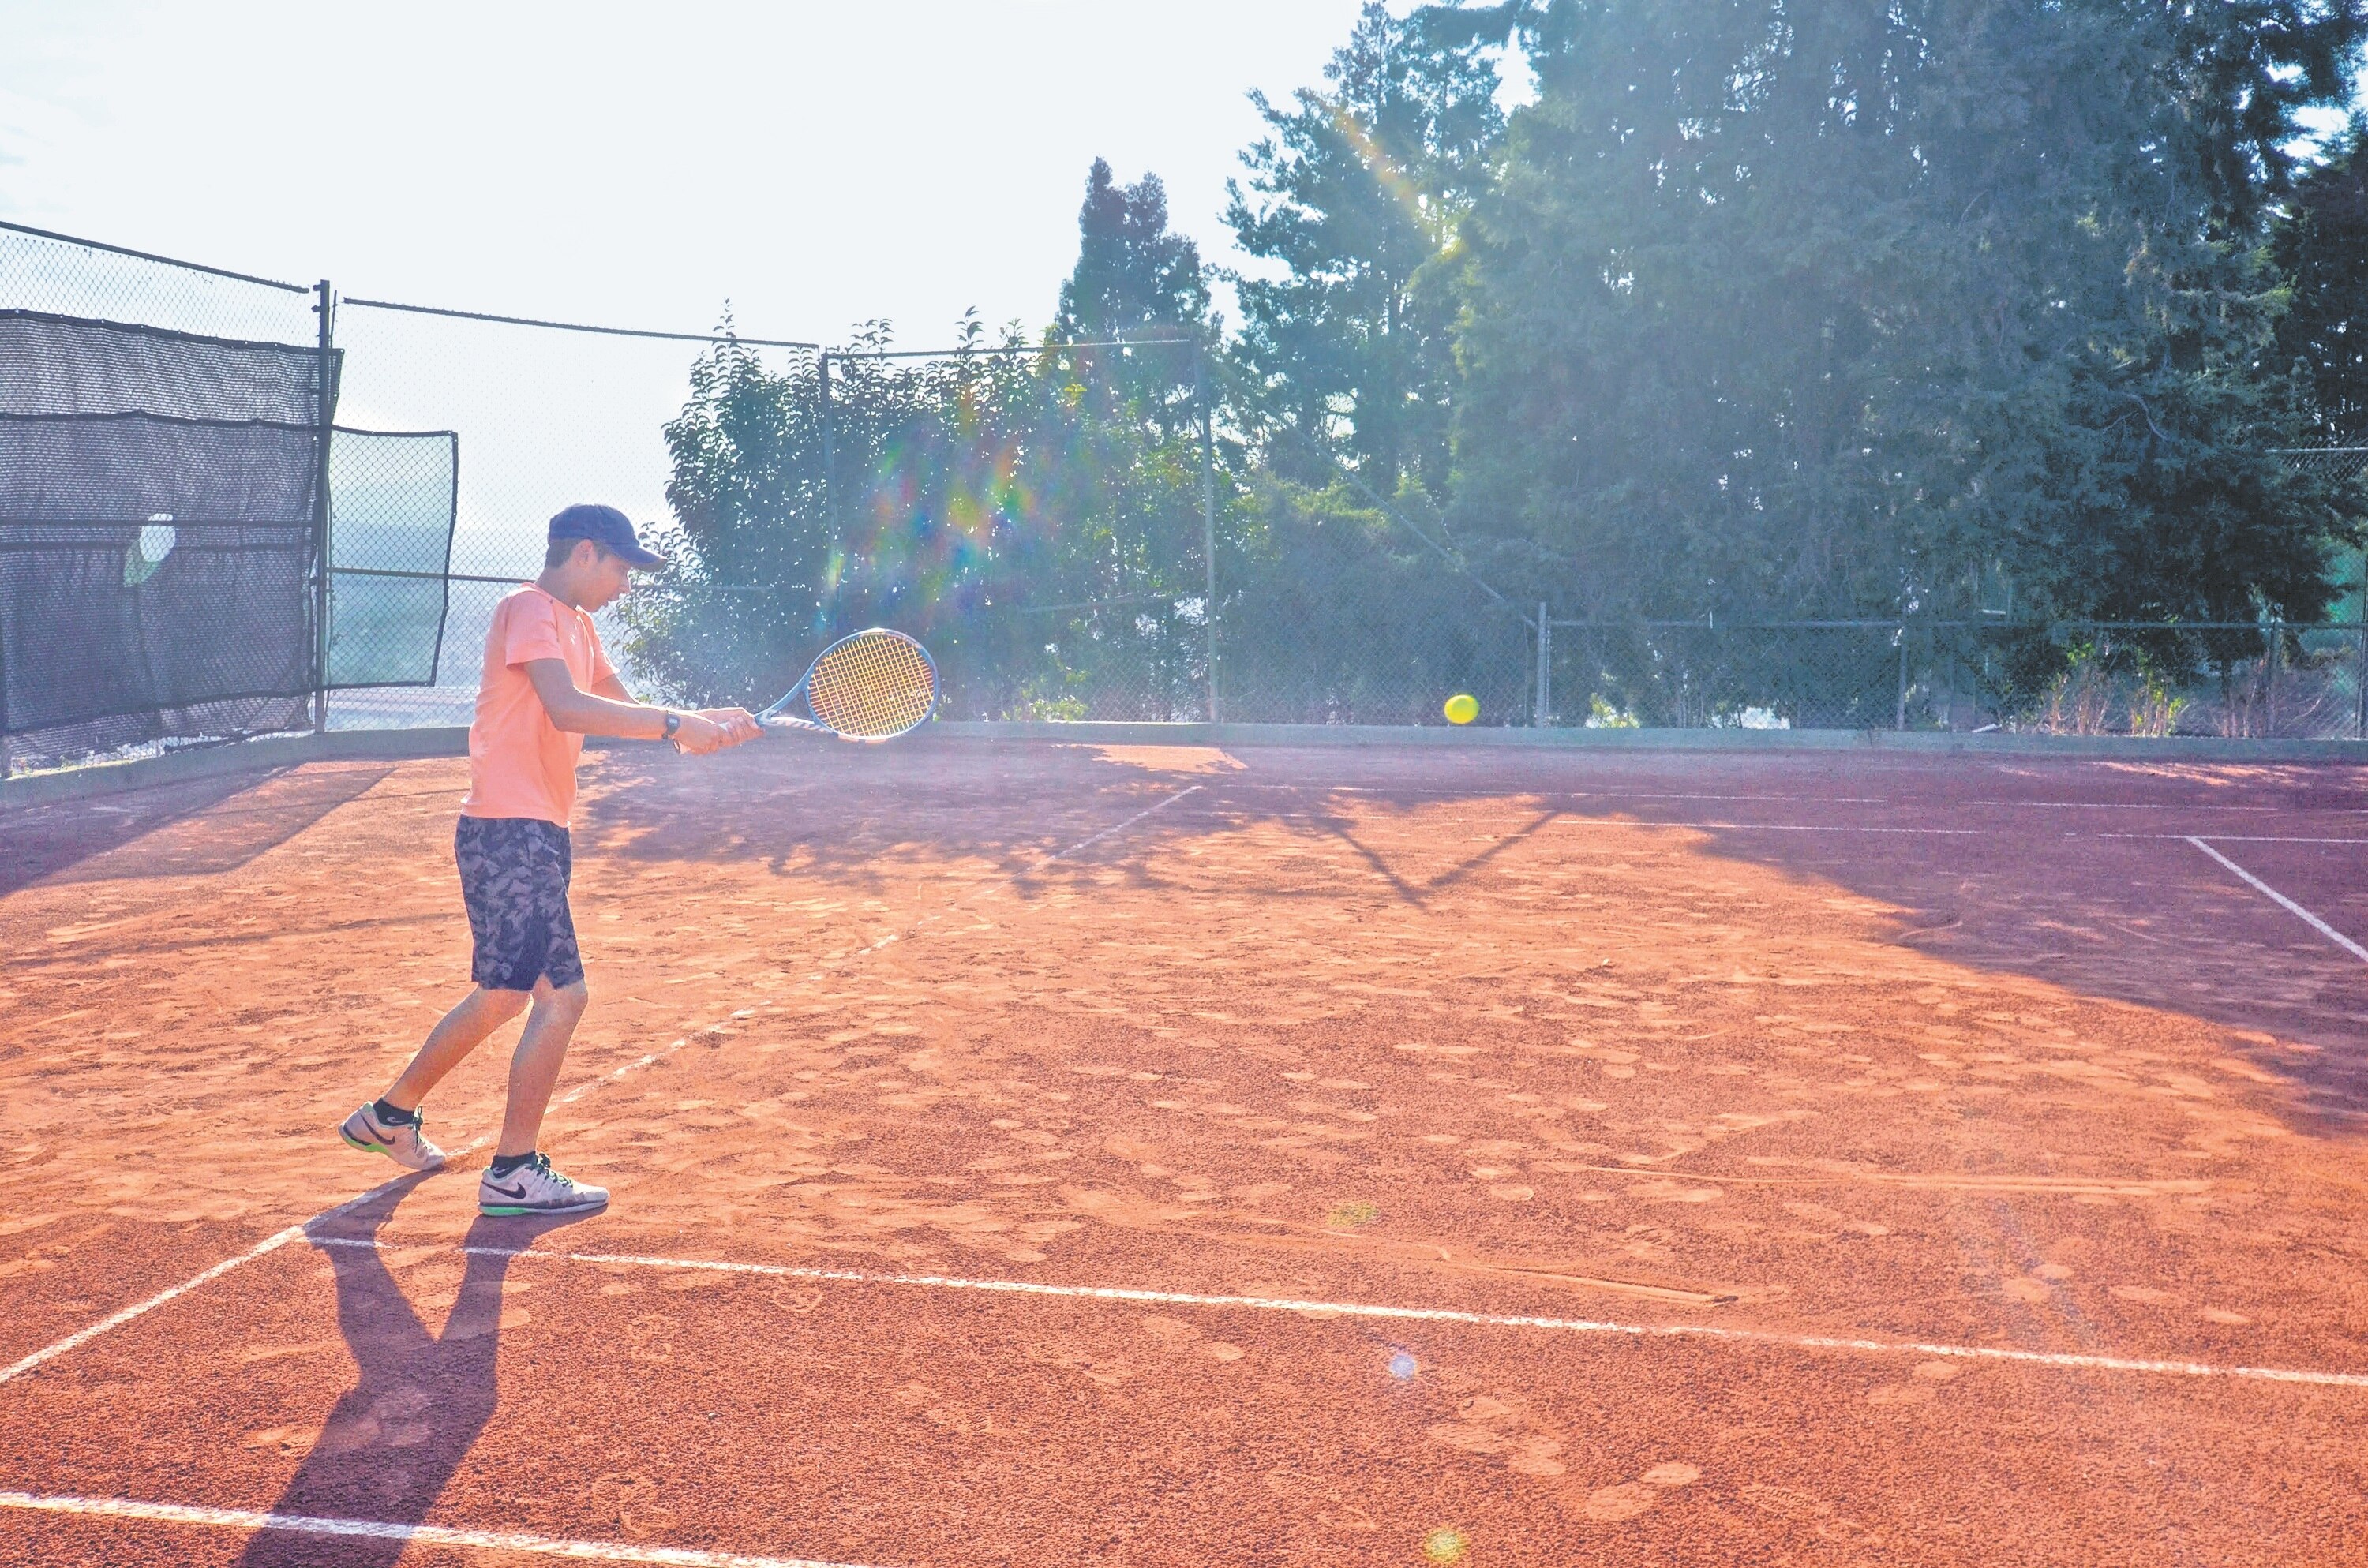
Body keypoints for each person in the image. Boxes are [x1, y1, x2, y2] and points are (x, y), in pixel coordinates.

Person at [339, 503, 759, 1215]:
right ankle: (513, 1169)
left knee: (503, 995)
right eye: (622, 569)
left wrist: (708, 721)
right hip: (512, 833)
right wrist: (675, 726)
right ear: (587, 553)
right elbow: (567, 707)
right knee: (562, 997)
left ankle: (391, 1114)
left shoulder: (581, 627)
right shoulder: (529, 608)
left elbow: (625, 707)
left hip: (534, 833)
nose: (625, 586)